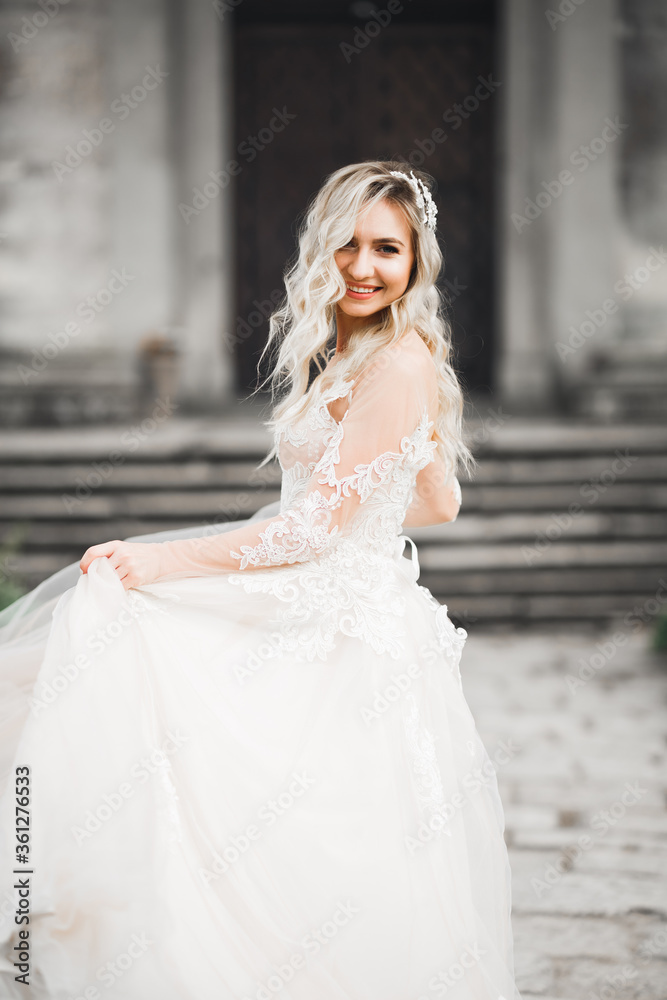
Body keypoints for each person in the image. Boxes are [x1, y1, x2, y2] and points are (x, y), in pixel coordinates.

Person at [0, 161, 521, 999]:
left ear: (416, 262)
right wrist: (373, 512)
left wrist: (160, 557)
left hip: (337, 628)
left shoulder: (399, 363)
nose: (362, 266)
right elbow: (438, 500)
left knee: (127, 656)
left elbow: (317, 526)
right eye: (346, 245)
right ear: (320, 249)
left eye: (386, 249)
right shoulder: (356, 350)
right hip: (329, 589)